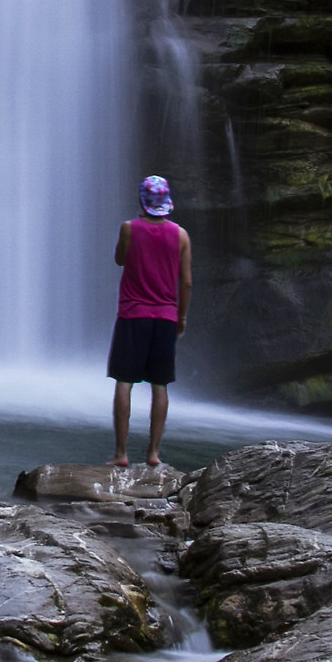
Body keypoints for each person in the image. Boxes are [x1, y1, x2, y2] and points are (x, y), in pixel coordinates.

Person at [108, 175, 191, 469]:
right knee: (160, 385)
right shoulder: (181, 235)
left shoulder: (129, 229)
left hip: (133, 314)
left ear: (142, 201)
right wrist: (181, 318)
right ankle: (153, 453)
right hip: (165, 317)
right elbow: (187, 281)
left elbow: (119, 259)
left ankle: (121, 454)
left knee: (124, 382)